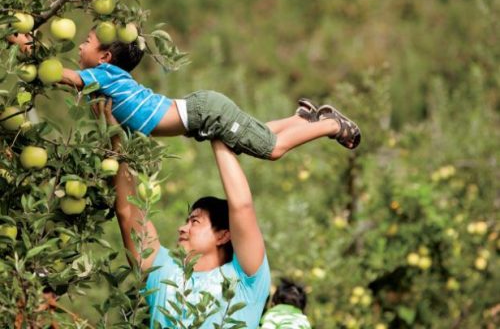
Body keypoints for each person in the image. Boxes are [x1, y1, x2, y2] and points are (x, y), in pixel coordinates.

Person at [9, 31, 361, 160]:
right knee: (250, 136)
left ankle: (330, 125)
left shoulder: (101, 76)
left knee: (272, 149)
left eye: (86, 42)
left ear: (104, 57)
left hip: (205, 112)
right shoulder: (107, 78)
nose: (80, 45)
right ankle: (302, 119)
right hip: (203, 111)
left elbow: (61, 76)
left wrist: (26, 44)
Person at [95, 99, 271, 328]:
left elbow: (242, 207)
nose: (182, 228)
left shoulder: (245, 280)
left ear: (223, 235)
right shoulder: (163, 270)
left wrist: (215, 131)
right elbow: (128, 213)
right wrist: (116, 139)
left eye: (195, 221)